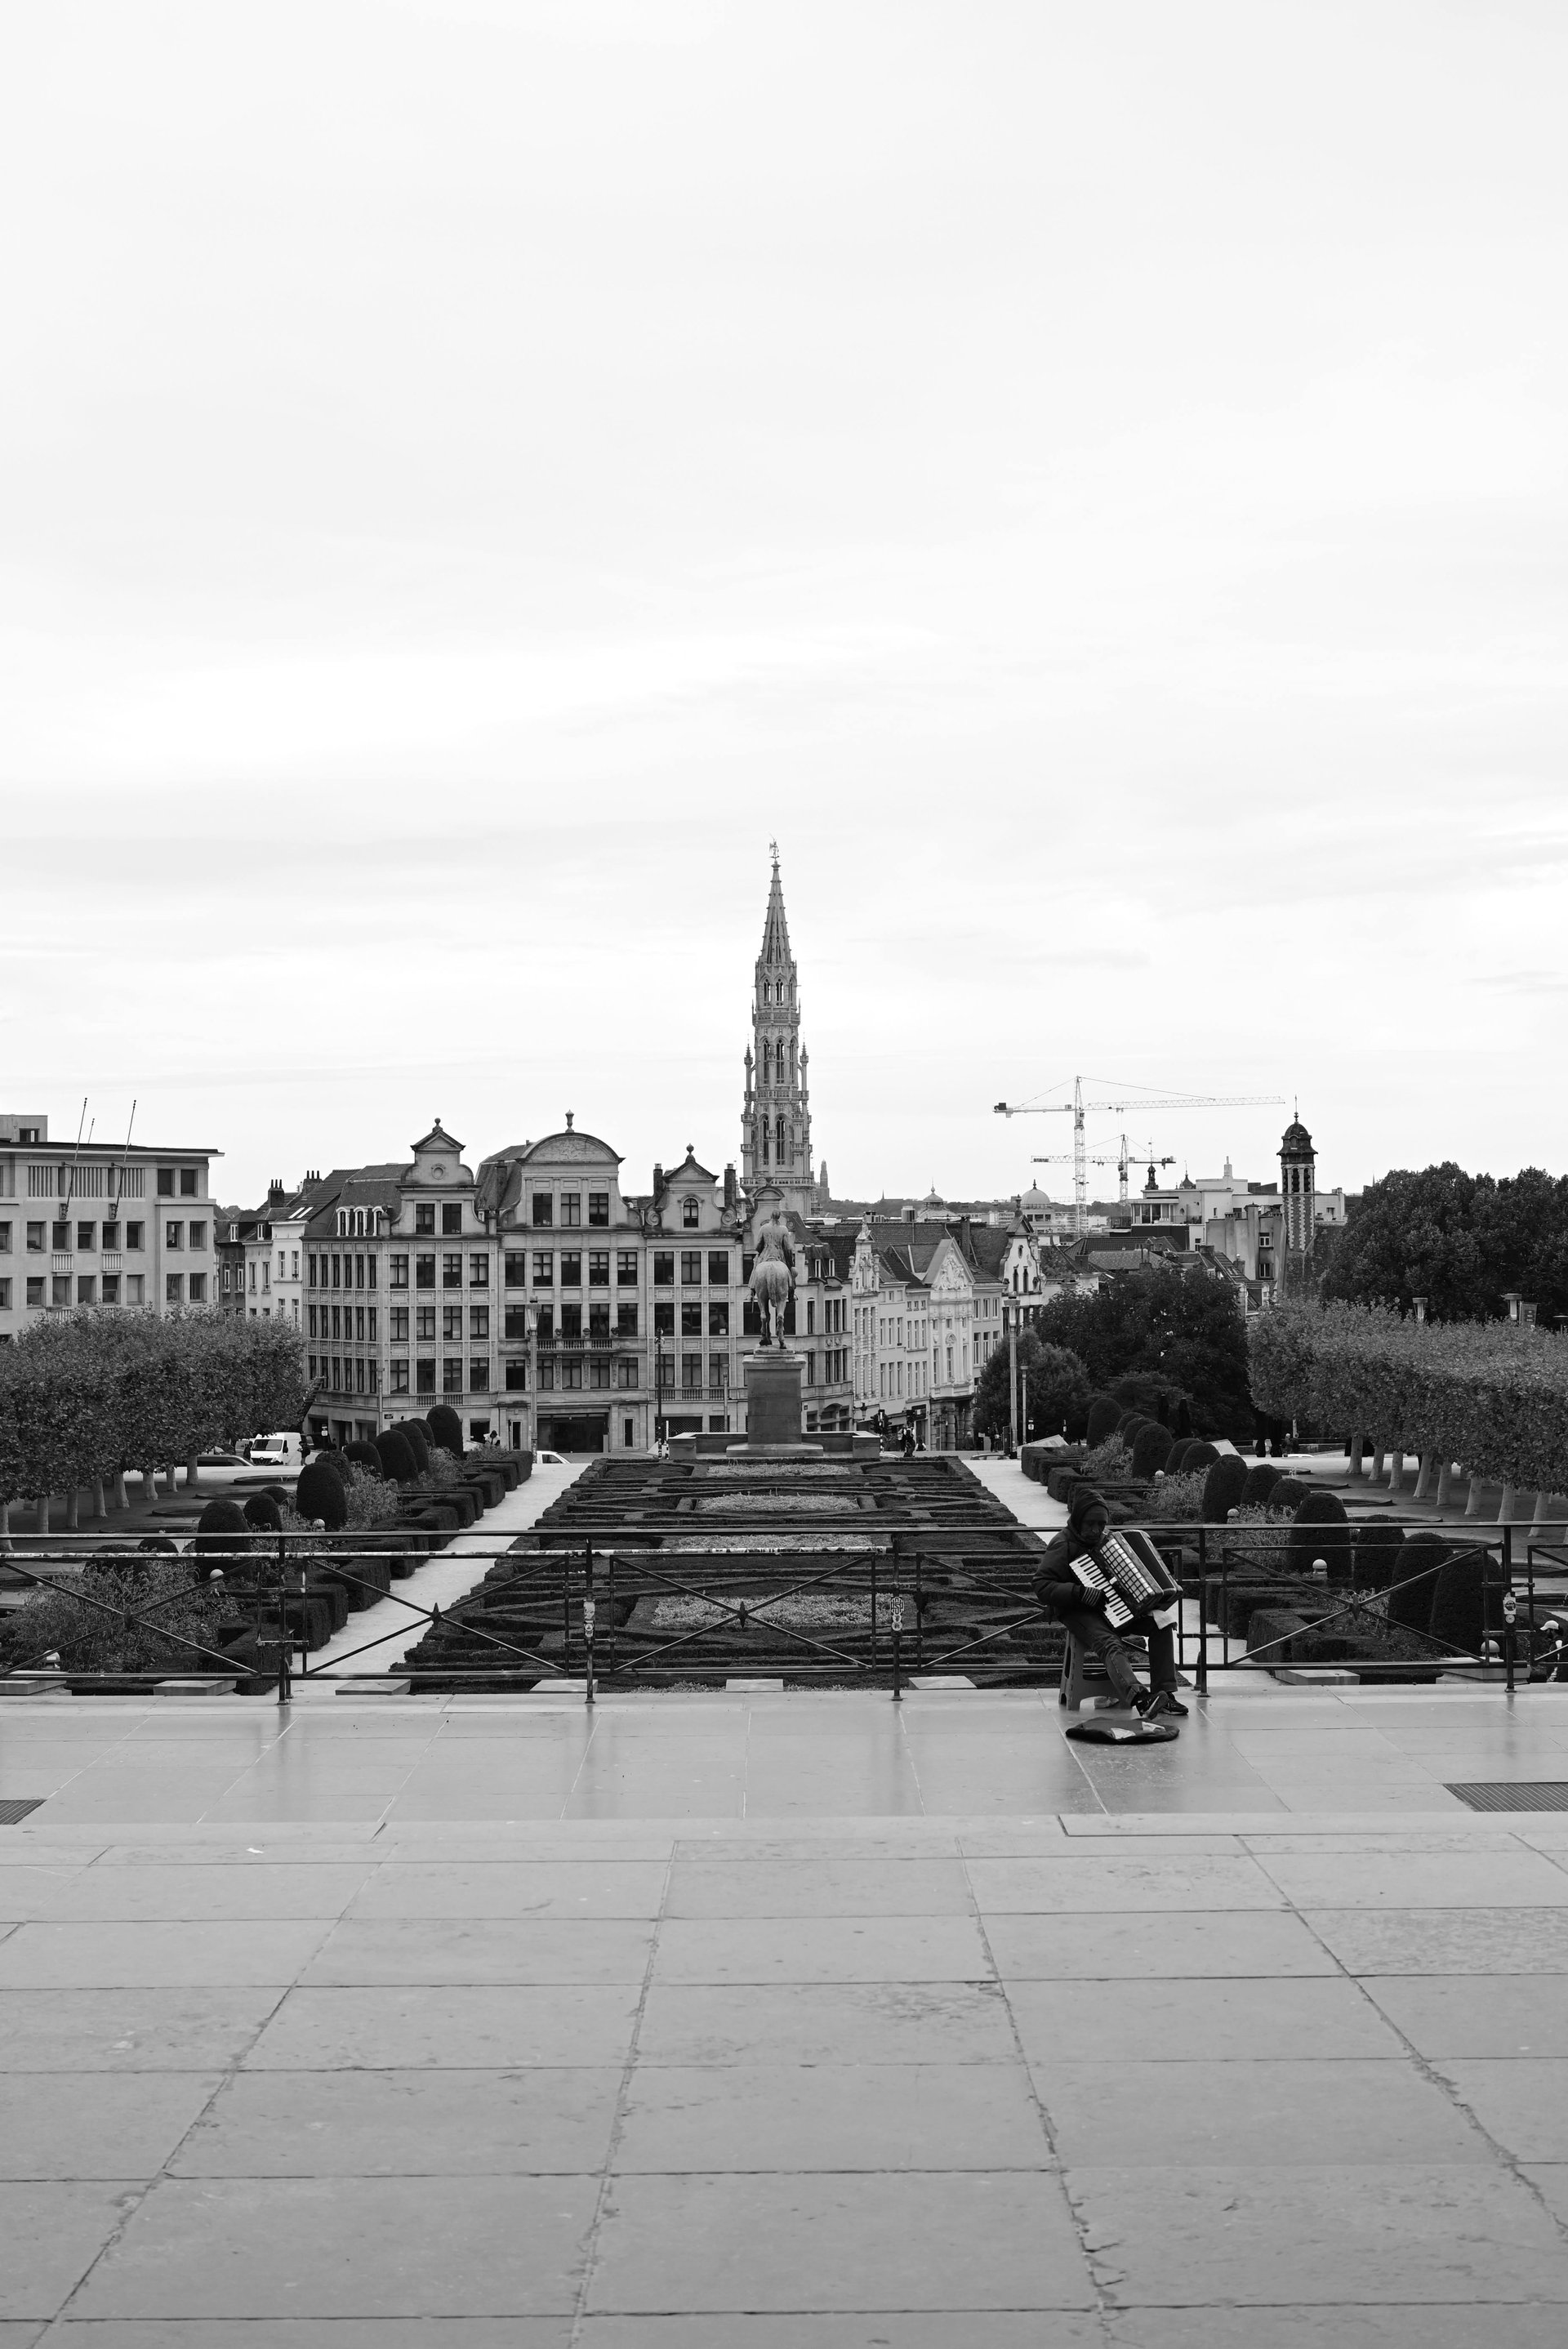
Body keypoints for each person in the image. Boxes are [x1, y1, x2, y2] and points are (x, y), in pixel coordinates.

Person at [1035, 1486, 1187, 1721]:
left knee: (1162, 1624)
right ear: (1077, 1520)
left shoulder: (1110, 1542)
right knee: (1110, 1643)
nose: (1096, 1531)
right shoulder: (1062, 1543)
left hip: (1116, 1608)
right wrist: (1078, 1592)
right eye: (1090, 1524)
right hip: (1077, 1611)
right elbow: (1042, 1585)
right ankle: (1141, 1700)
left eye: (1101, 1525)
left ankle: (1164, 1693)